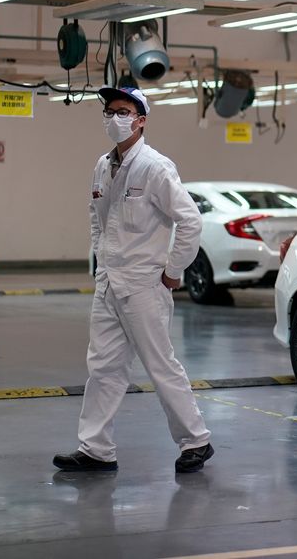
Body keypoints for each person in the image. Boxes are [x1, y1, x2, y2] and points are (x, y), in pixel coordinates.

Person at [53, 86, 214, 474]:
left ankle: (196, 440)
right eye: (109, 111)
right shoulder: (102, 165)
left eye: (123, 111)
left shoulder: (155, 167)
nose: (114, 118)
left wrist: (173, 271)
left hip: (144, 285)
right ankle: (95, 449)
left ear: (141, 120)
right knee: (103, 368)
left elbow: (190, 221)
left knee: (160, 365)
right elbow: (97, 215)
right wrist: (100, 259)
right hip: (109, 283)